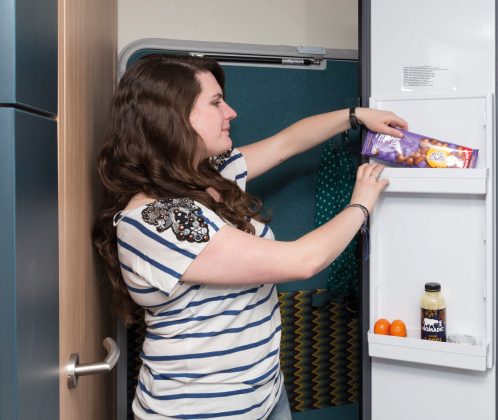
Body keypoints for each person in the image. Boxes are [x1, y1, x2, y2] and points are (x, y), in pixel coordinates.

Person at [92, 54, 407, 419]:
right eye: (215, 103)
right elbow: (301, 261)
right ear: (171, 118)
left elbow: (287, 142)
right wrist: (361, 204)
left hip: (266, 397)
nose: (231, 112)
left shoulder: (208, 177)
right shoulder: (158, 219)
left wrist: (355, 116)